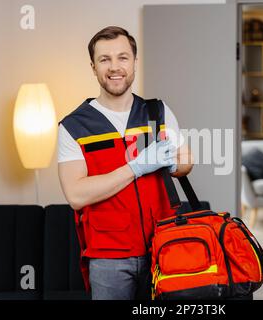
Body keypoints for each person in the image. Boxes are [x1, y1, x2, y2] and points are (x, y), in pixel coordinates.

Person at [57, 26, 194, 300]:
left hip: (164, 246)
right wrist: (136, 167)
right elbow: (76, 195)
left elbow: (186, 163)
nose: (114, 67)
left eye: (122, 57)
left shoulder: (158, 111)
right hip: (109, 258)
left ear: (134, 62)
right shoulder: (73, 126)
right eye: (104, 59)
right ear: (93, 67)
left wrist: (170, 164)